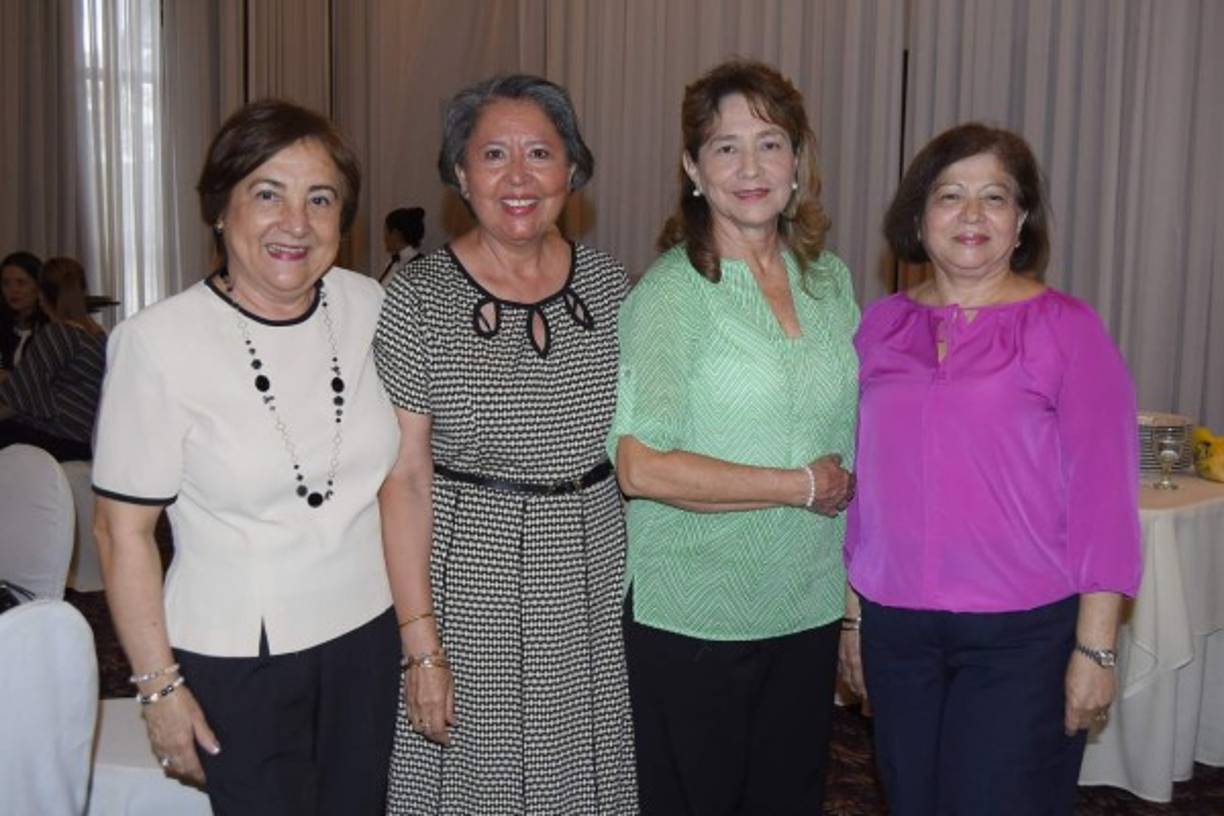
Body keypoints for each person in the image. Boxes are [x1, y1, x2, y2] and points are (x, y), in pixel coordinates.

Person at [92, 99, 402, 815]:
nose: (296, 222)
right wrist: (159, 689)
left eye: (319, 199)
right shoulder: (157, 344)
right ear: (219, 210)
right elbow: (121, 532)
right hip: (239, 654)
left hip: (365, 634)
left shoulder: (370, 306)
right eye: (268, 193)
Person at [841, 122, 1142, 816]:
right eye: (950, 196)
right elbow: (863, 490)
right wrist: (855, 620)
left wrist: (1095, 652)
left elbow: (1105, 500)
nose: (972, 215)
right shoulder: (878, 327)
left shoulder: (1067, 328)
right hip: (898, 632)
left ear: (1021, 220)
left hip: (1022, 638)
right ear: (918, 218)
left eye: (995, 197)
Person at [375, 74, 637, 814]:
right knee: (472, 777)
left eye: (540, 154)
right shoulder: (417, 295)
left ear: (572, 171)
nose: (518, 177)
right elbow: (406, 479)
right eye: (493, 154)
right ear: (461, 174)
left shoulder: (613, 287)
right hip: (469, 578)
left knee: (583, 771)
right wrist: (421, 646)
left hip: (590, 572)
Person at [607, 60, 859, 814]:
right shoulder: (670, 296)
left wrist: (853, 605)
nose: (750, 168)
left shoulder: (830, 281)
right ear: (693, 167)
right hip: (696, 617)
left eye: (770, 143)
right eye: (725, 147)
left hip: (806, 605)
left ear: (797, 161)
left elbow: (849, 450)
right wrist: (796, 486)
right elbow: (639, 466)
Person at [0, 257, 107, 461]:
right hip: (86, 439)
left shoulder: (58, 334)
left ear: (41, 296)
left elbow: (18, 397)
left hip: (58, 437)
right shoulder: (98, 335)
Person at [0, 251, 50, 375]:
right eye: (6, 283)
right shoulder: (4, 323)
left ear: (38, 286)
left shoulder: (51, 328)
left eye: (21, 283)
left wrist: (8, 377)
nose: (13, 290)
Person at [379, 206, 425, 285]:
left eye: (386, 231)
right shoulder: (392, 262)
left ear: (395, 234)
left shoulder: (420, 265)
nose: (384, 237)